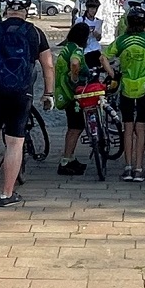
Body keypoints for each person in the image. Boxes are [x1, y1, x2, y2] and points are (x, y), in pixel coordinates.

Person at [0, 0, 54, 207]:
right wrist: (48, 93)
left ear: (7, 9)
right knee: (15, 143)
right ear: (27, 10)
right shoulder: (35, 33)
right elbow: (48, 66)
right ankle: (7, 194)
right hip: (21, 93)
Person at [104, 6, 145, 182]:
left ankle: (128, 167)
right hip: (144, 88)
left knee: (127, 129)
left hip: (126, 88)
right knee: (141, 129)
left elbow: (103, 58)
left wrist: (112, 74)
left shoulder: (122, 40)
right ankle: (139, 168)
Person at [54, 22, 92, 176]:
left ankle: (70, 158)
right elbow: (75, 63)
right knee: (75, 127)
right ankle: (66, 160)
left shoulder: (67, 47)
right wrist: (75, 78)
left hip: (63, 91)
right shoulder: (76, 49)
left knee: (73, 127)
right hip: (71, 94)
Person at [74, 0, 105, 68]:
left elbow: (98, 39)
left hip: (96, 50)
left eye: (95, 9)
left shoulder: (98, 21)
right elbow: (75, 37)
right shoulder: (80, 20)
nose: (94, 11)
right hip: (85, 51)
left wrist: (97, 34)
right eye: (92, 8)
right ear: (87, 8)